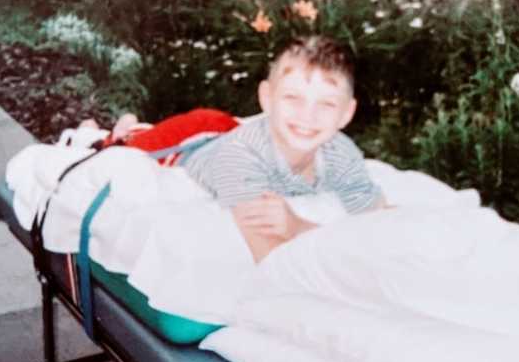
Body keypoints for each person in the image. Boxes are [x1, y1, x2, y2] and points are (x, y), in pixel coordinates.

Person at [79, 35, 384, 261]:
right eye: (293, 98)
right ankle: (104, 133)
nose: (308, 116)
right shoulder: (239, 161)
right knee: (121, 149)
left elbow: (382, 219)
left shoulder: (339, 151)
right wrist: (297, 227)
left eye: (326, 104)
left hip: (233, 130)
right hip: (190, 142)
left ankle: (128, 126)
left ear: (346, 113)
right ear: (266, 98)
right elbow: (270, 256)